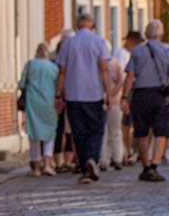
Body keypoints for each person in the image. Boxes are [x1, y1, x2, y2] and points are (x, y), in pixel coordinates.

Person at [54, 13, 112, 184]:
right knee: (96, 129)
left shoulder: (68, 44)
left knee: (78, 132)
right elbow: (104, 69)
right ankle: (91, 159)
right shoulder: (100, 42)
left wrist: (58, 95)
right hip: (94, 93)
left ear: (77, 25)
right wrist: (109, 92)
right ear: (92, 25)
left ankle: (84, 165)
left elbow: (62, 72)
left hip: (74, 94)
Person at [121, 19, 169, 182]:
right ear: (161, 33)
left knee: (141, 131)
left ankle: (146, 166)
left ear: (146, 34)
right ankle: (155, 165)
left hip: (141, 94)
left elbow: (130, 76)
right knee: (161, 131)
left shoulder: (137, 51)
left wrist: (124, 97)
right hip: (161, 94)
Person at [19, 42, 59, 177]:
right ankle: (47, 164)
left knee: (34, 134)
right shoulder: (53, 68)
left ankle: (35, 166)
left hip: (33, 102)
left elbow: (22, 83)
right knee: (49, 133)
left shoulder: (30, 65)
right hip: (49, 102)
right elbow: (58, 85)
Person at [117, 31, 144, 165]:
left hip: (134, 90)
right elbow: (124, 76)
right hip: (128, 91)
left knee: (135, 123)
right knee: (126, 124)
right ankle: (128, 152)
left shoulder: (132, 53)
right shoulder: (121, 54)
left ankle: (135, 151)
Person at [51, 29, 76, 171]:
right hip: (67, 99)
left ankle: (61, 163)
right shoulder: (63, 60)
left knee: (62, 131)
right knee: (66, 131)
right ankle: (65, 162)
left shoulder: (54, 60)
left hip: (60, 99)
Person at [99, 40, 125, 171]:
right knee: (116, 131)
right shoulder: (115, 63)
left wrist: (107, 95)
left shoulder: (98, 64)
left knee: (103, 132)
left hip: (101, 100)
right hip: (115, 101)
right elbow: (121, 81)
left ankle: (104, 160)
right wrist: (114, 94)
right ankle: (117, 158)